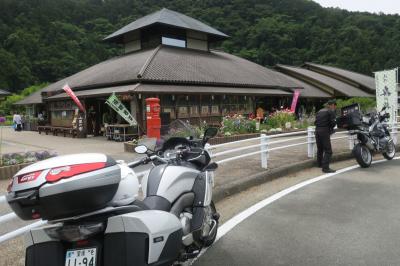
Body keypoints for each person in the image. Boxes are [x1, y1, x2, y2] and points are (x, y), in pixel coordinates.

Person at [315, 99, 337, 173]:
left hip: (317, 130)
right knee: (328, 151)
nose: (335, 108)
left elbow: (315, 122)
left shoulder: (320, 111)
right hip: (324, 131)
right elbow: (333, 124)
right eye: (335, 106)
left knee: (320, 148)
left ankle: (319, 164)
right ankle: (325, 168)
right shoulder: (331, 112)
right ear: (333, 105)